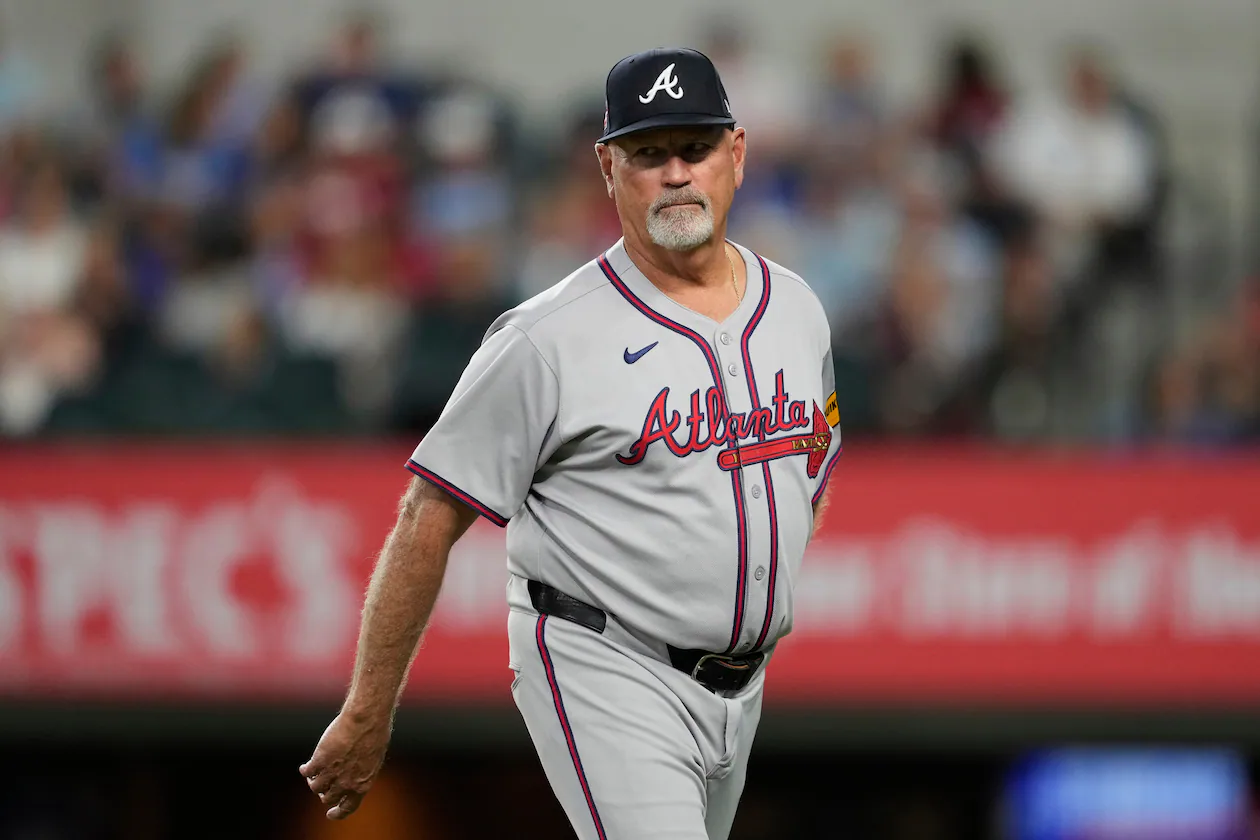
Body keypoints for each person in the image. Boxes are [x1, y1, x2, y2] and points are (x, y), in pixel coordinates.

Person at [299, 48, 843, 839]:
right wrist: (367, 710)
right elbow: (427, 516)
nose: (677, 174)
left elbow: (811, 466)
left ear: (737, 153)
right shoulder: (547, 337)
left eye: (694, 148)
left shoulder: (796, 308)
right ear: (607, 167)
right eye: (649, 154)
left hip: (741, 686)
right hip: (604, 661)